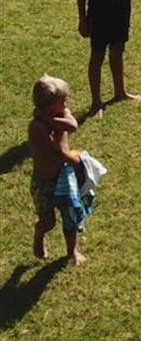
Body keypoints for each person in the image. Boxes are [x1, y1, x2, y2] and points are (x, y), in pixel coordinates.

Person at [28, 75, 89, 264]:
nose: (67, 103)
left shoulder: (59, 116)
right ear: (49, 106)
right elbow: (59, 152)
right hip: (44, 182)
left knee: (70, 215)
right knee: (49, 221)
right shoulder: (37, 127)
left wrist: (52, 119)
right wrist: (80, 163)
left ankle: (72, 252)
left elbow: (73, 125)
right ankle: (39, 235)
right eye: (63, 101)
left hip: (63, 177)